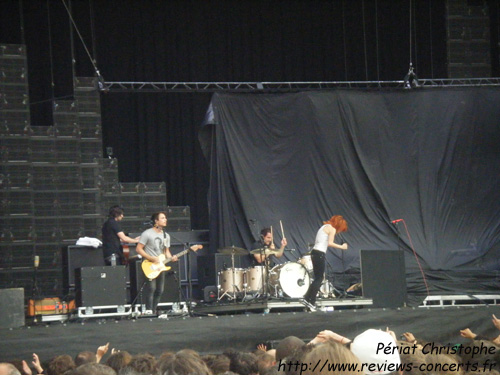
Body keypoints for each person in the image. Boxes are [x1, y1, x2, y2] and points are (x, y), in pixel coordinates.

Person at [301, 215, 348, 311]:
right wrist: (342, 247)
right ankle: (311, 301)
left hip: (314, 252)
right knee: (319, 278)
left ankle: (307, 298)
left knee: (317, 278)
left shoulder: (323, 227)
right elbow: (330, 243)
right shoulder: (332, 229)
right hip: (319, 254)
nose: (339, 232)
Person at [135, 212, 178, 315]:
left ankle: (153, 310)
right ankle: (148, 310)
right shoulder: (147, 233)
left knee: (160, 290)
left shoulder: (166, 235)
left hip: (161, 265)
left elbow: (166, 251)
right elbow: (138, 249)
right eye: (162, 218)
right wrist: (150, 258)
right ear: (156, 221)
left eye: (165, 218)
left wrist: (171, 257)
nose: (165, 220)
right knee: (151, 288)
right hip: (149, 264)